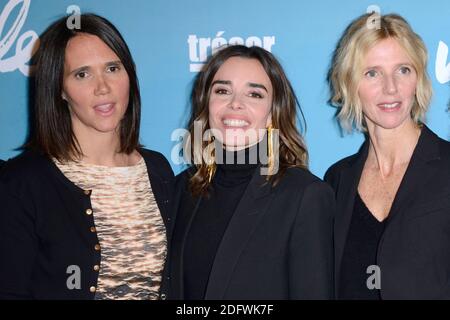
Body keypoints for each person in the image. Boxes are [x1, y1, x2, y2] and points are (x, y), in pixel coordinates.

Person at [0, 14, 174, 300]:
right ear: (60, 90)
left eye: (112, 68)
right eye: (82, 74)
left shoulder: (157, 170)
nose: (102, 87)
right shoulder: (23, 183)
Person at [167, 45, 335, 300]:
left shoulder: (305, 195)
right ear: (206, 104)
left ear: (272, 113)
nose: (235, 104)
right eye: (222, 91)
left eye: (254, 94)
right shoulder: (183, 188)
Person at [326, 13, 450, 299]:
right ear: (349, 83)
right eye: (372, 73)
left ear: (417, 78)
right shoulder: (337, 180)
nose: (390, 87)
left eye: (402, 70)